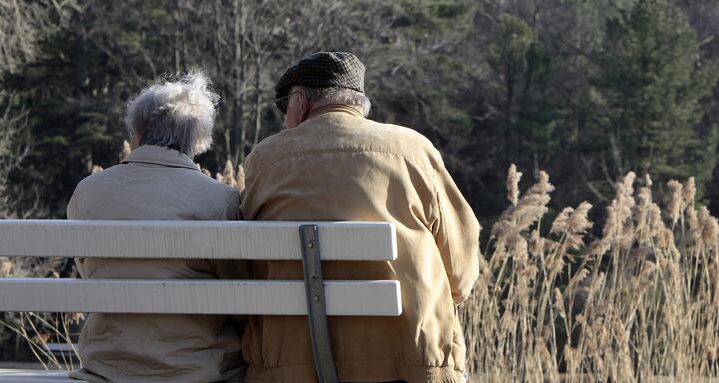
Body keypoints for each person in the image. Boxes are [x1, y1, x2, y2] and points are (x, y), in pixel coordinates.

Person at [238, 51, 480, 383]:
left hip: (291, 366)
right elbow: (461, 271)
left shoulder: (264, 159)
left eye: (285, 107)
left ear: (299, 100)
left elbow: (246, 264)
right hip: (408, 363)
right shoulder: (412, 149)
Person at [67, 71, 246, 383]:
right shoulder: (221, 200)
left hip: (108, 367)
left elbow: (89, 270)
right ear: (198, 141)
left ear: (136, 132)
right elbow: (239, 297)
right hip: (198, 371)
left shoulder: (88, 191)